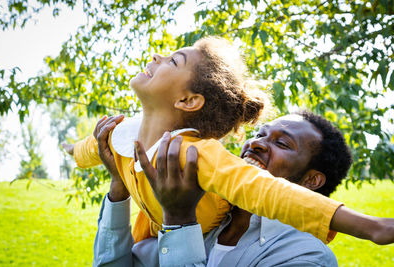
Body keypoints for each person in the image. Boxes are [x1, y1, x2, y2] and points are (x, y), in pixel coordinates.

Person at [65, 36, 391, 245]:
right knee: (143, 246)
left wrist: (372, 227)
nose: (156, 56)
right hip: (149, 229)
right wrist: (71, 152)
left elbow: (268, 191)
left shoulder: (197, 154)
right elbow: (91, 149)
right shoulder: (122, 132)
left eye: (173, 61)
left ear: (188, 101)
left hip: (189, 227)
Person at [93, 111, 394, 266]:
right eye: (259, 134)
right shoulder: (205, 214)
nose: (256, 143)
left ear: (311, 181)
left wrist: (179, 218)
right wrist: (120, 185)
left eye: (281, 143)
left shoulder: (305, 256)